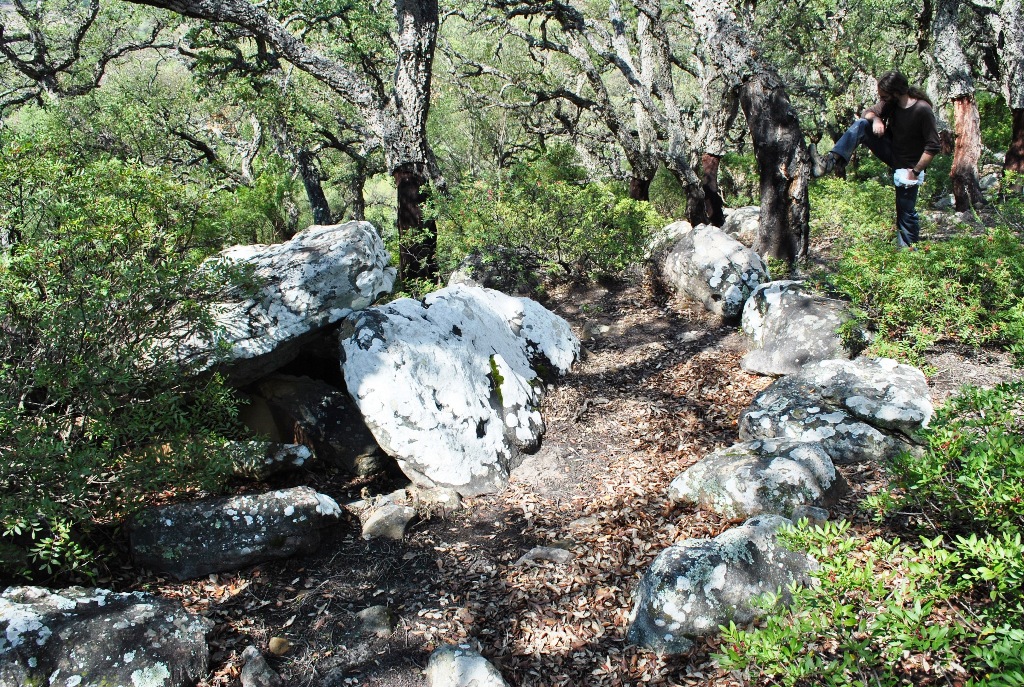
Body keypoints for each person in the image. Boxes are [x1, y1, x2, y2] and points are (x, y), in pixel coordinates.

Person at [809, 71, 942, 249]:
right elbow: (867, 112)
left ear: (896, 92)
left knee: (905, 213)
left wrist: (915, 172)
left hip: (909, 167)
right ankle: (829, 162)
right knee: (862, 125)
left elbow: (933, 146)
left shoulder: (922, 110)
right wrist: (877, 119)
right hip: (891, 152)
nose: (882, 100)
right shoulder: (891, 103)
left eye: (884, 96)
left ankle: (909, 254)